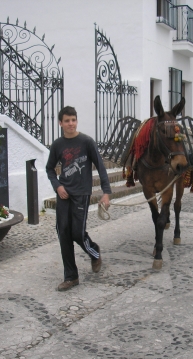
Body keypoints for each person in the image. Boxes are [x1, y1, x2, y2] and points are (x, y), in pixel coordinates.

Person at [46, 106, 111, 291]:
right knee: (63, 231)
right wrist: (57, 186)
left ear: (77, 121)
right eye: (67, 121)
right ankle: (71, 276)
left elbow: (101, 166)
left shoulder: (87, 142)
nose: (71, 124)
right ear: (60, 123)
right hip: (64, 194)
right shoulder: (58, 145)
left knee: (77, 233)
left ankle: (94, 252)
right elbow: (49, 169)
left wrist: (106, 193)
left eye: (73, 120)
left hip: (81, 193)